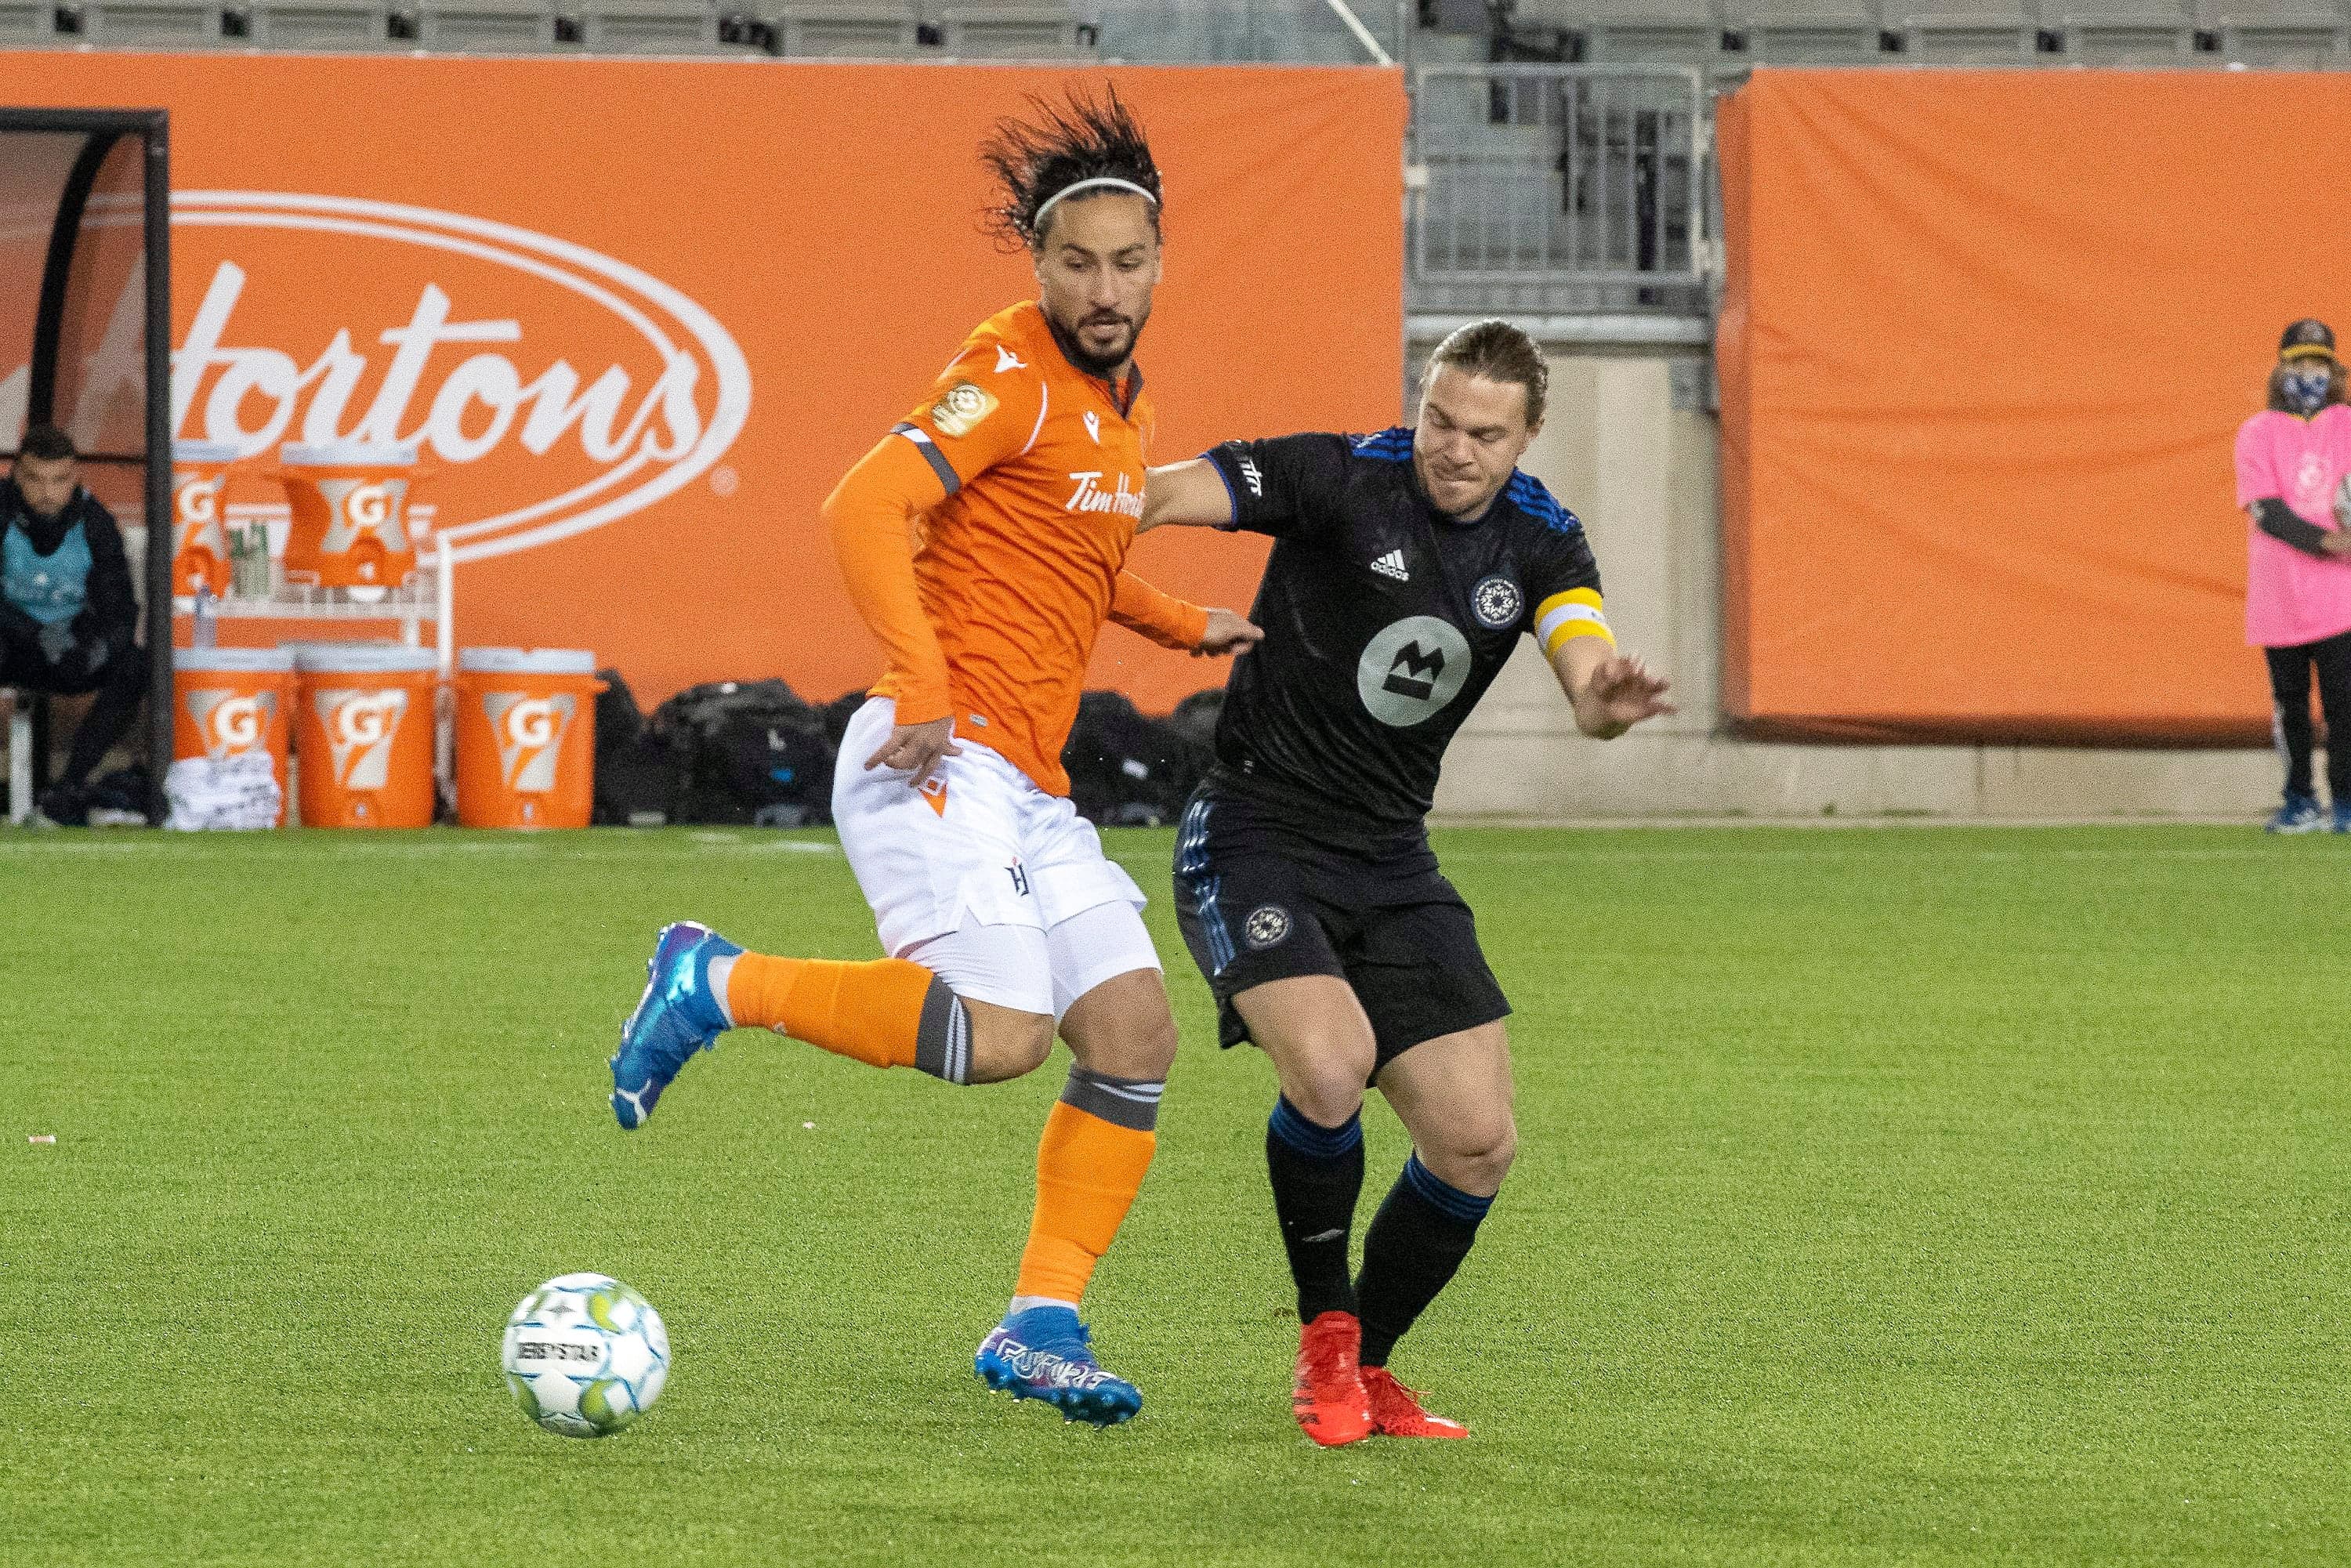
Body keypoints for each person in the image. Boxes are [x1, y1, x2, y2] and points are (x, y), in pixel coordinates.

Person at [606, 89, 1259, 1426]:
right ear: (1038, 262)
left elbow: (1080, 560)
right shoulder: (1011, 369)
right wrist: (917, 677)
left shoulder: (1118, 406)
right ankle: (715, 979)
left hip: (1027, 783)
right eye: (1076, 261)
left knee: (1132, 1034)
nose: (1103, 285)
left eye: (1127, 261)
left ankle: (1040, 1323)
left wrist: (1190, 624)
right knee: (1006, 1034)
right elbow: (868, 502)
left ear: (1159, 261)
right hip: (937, 752)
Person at [1139, 320, 1674, 1445]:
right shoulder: (1338, 475)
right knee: (1330, 1071)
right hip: (1254, 828)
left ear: (1527, 438)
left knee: (1477, 1141)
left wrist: (1604, 703)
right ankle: (1324, 1340)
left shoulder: (1542, 542)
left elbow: (1583, 668)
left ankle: (1370, 1365)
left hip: (1389, 857)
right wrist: (1091, 501)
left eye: (1485, 432)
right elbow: (1161, 493)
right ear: (1418, 404)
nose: (1454, 448)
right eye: (1440, 417)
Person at [2233, 318, 2351, 834]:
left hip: (2340, 597)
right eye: (2300, 364)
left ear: (2335, 370)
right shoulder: (2257, 433)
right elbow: (2264, 509)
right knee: (2292, 707)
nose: (2310, 374)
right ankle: (2299, 798)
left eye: (2319, 365)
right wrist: (2327, 540)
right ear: (2281, 371)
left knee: (2345, 706)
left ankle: (2345, 801)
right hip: (2279, 597)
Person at [2, 425, 144, 827]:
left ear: (75, 478)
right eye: (35, 479)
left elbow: (122, 608)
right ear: (16, 475)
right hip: (13, 647)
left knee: (134, 665)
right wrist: (29, 632)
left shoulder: (95, 523)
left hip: (68, 648)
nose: (48, 492)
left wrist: (98, 648)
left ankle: (69, 787)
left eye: (60, 480)